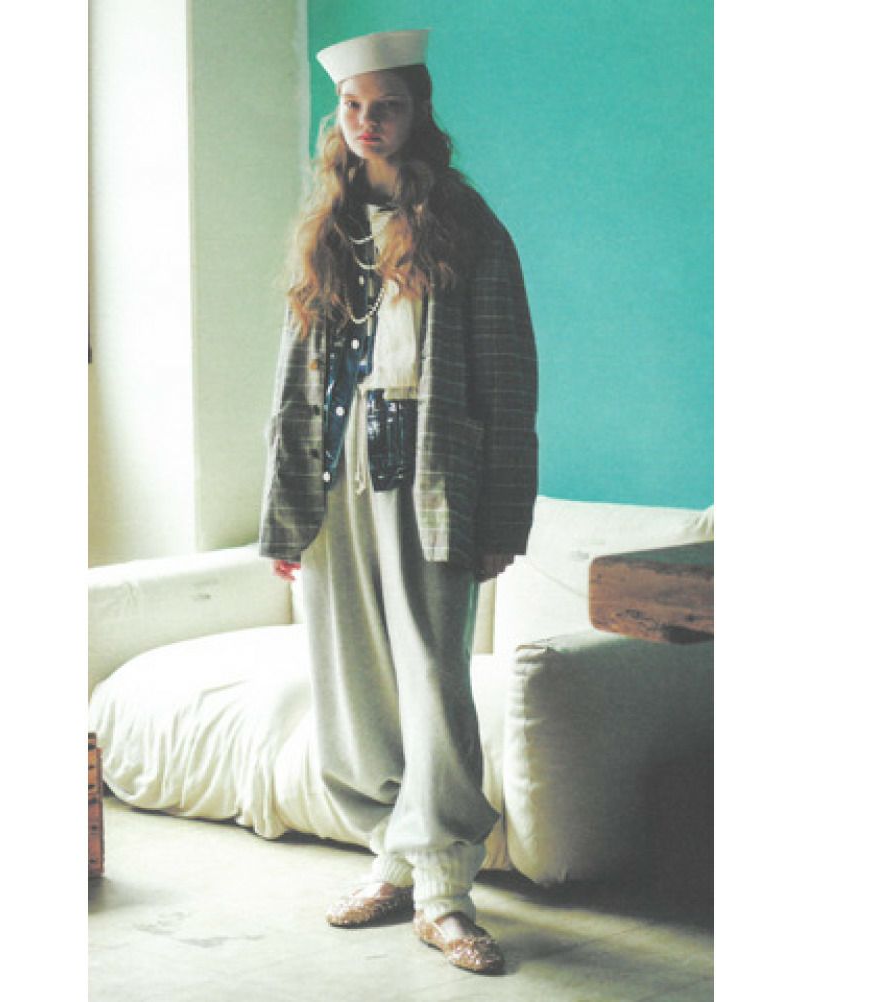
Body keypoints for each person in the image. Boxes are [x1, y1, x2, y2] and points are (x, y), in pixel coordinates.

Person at [258, 28, 538, 975]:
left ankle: (446, 889)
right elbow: (293, 380)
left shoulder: (465, 223)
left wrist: (502, 516)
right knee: (350, 678)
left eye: (387, 106)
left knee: (432, 678)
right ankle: (392, 860)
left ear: (419, 111)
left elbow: (508, 378)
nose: (368, 122)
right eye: (352, 107)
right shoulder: (329, 224)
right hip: (334, 466)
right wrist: (286, 511)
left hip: (431, 467)